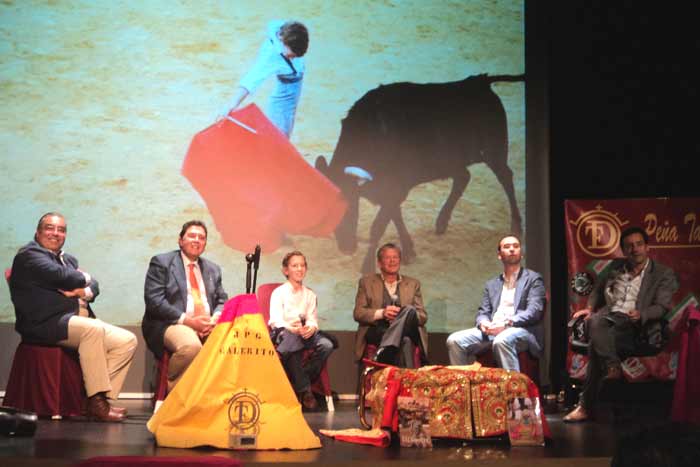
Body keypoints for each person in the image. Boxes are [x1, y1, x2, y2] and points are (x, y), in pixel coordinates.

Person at [8, 212, 137, 422]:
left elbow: (94, 285)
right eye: (50, 228)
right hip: (45, 323)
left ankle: (92, 399)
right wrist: (82, 278)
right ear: (38, 232)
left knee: (127, 340)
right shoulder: (29, 256)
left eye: (61, 230)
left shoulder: (67, 259)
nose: (55, 233)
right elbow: (65, 277)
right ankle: (97, 404)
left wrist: (81, 290)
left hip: (76, 319)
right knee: (92, 329)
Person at [564, 226, 679, 422]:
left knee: (595, 343)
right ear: (624, 251)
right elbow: (598, 291)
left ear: (647, 247)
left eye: (639, 245)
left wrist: (642, 314)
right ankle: (612, 367)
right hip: (610, 321)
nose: (635, 249)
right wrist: (590, 308)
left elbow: (662, 306)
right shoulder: (615, 267)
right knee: (595, 322)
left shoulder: (662, 273)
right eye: (629, 246)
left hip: (638, 327)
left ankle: (586, 405)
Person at [142, 220, 228, 392]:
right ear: (180, 240)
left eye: (201, 237)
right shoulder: (162, 262)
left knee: (231, 345)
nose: (197, 240)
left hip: (207, 325)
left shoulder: (213, 269)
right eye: (191, 236)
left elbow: (222, 300)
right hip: (171, 323)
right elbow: (154, 302)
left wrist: (213, 320)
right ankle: (176, 398)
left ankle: (213, 399)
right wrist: (190, 322)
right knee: (191, 346)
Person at [445, 234, 546, 371]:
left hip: (521, 330)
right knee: (454, 340)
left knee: (502, 340)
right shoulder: (492, 284)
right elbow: (483, 312)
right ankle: (463, 388)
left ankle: (513, 390)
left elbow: (534, 312)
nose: (512, 249)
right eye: (507, 246)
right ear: (499, 255)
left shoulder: (533, 279)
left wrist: (507, 323)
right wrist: (483, 323)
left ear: (521, 254)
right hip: (492, 330)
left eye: (516, 246)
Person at [269, 251, 334, 410]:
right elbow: (275, 320)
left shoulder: (310, 294)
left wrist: (310, 328)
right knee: (293, 342)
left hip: (304, 333)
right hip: (285, 332)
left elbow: (312, 319)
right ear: (286, 270)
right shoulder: (279, 293)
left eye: (302, 265)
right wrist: (293, 329)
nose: (299, 269)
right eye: (294, 266)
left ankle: (299, 378)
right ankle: (305, 391)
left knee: (327, 345)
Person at [223, 20, 309, 138]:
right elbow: (252, 78)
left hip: (291, 81)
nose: (293, 58)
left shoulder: (286, 29)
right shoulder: (272, 56)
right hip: (286, 92)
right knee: (280, 134)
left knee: (282, 129)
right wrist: (231, 105)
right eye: (291, 56)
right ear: (282, 40)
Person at [353, 242, 428, 367]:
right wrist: (382, 313)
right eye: (387, 258)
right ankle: (407, 380)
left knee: (409, 310)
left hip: (408, 329)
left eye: (395, 257)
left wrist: (402, 316)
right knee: (405, 341)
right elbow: (358, 313)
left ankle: (386, 347)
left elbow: (422, 316)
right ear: (379, 262)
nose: (392, 261)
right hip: (379, 330)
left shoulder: (413, 284)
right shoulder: (366, 282)